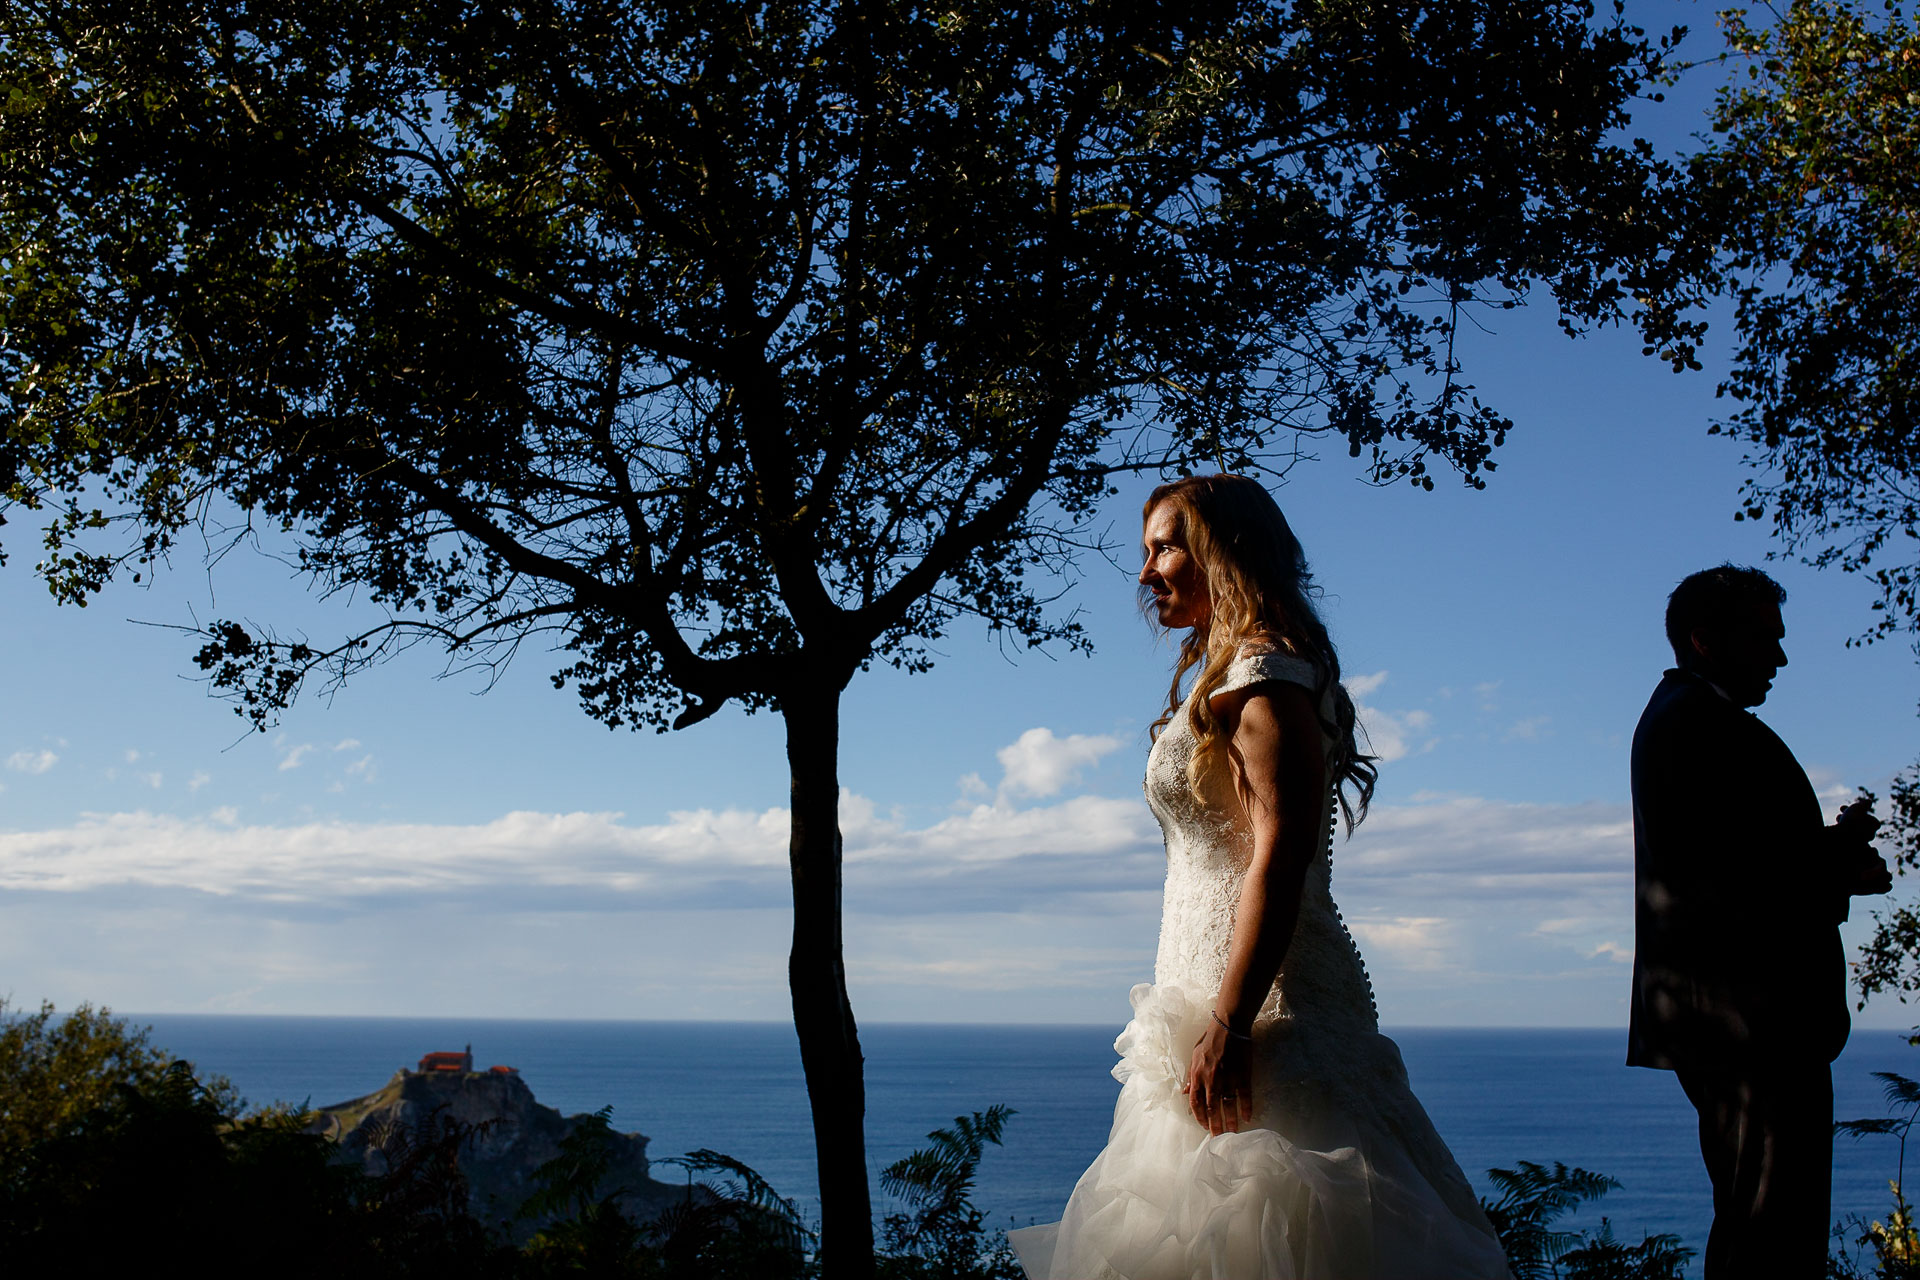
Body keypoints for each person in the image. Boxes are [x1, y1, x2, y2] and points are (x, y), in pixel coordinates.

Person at [1008, 475, 1510, 1280]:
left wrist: (1232, 1024)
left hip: (1264, 1018)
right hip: (1203, 1002)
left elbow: (1280, 849)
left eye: (1165, 546)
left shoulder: (1264, 674)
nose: (1145, 573)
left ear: (1227, 551)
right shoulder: (1234, 672)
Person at [1628, 564, 1892, 1279]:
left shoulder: (1691, 720)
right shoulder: (1697, 724)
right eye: (1765, 639)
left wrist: (1831, 853)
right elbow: (1728, 877)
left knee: (1762, 1219)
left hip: (1740, 1021)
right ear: (1706, 641)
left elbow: (1739, 856)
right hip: (1749, 1022)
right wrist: (1836, 868)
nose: (1780, 658)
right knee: (1770, 1229)